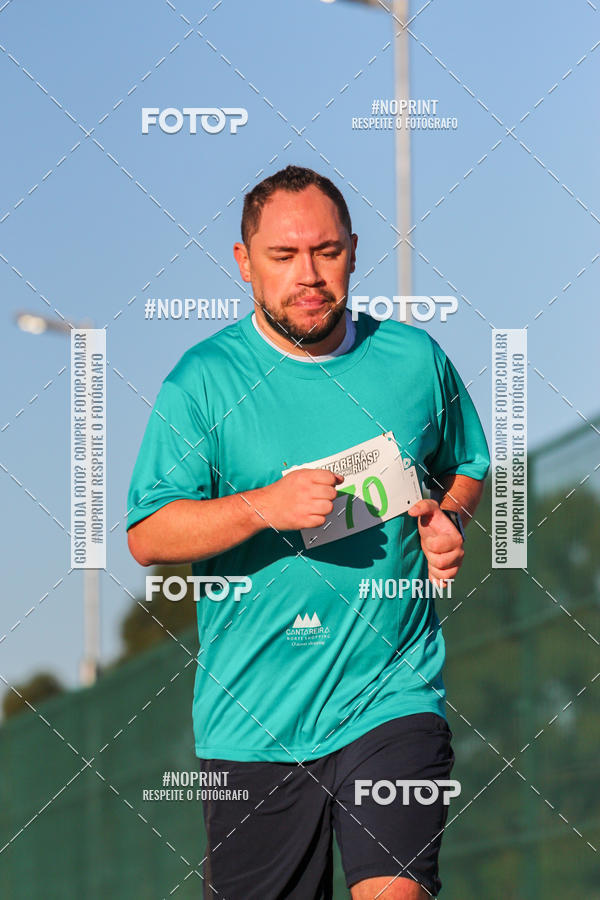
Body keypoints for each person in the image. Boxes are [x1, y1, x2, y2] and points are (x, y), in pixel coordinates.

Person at [126, 165, 490, 899]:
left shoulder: (414, 360)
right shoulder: (203, 380)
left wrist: (447, 520)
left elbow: (466, 465)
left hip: (391, 695)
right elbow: (149, 534)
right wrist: (264, 506)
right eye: (284, 256)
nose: (309, 275)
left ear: (353, 251)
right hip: (251, 723)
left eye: (326, 252)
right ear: (244, 263)